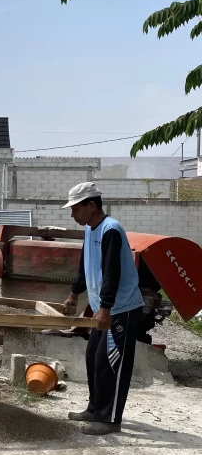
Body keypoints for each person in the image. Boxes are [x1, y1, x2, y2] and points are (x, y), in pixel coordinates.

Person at [62, 182, 144, 435]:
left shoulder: (111, 230)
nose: (72, 214)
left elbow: (112, 272)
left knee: (111, 363)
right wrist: (75, 294)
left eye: (75, 208)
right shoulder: (90, 229)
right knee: (93, 359)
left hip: (122, 309)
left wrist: (106, 307)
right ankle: (95, 409)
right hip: (104, 308)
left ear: (91, 205)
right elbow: (86, 266)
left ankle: (109, 420)